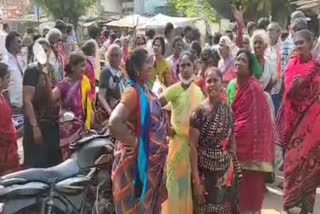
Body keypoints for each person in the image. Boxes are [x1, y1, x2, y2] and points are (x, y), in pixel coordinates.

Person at [109, 48, 168, 214]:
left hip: (152, 164)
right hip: (135, 165)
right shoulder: (132, 92)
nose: (152, 64)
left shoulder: (146, 89)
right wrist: (135, 143)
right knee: (134, 207)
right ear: (136, 69)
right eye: (147, 62)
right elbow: (114, 122)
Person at [275, 30, 320, 214]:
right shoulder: (291, 65)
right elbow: (288, 90)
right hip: (293, 123)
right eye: (297, 42)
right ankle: (291, 200)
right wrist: (296, 87)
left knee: (310, 166)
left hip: (314, 125)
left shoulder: (317, 68)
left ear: (311, 44)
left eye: (302, 42)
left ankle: (307, 208)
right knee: (292, 161)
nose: (299, 46)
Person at [227, 49, 274, 214]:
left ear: (251, 68)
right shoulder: (232, 85)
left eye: (243, 61)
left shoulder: (254, 90)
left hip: (251, 156)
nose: (238, 63)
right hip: (233, 151)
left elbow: (252, 124)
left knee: (249, 200)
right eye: (237, 60)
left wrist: (231, 136)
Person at [190, 67, 242, 213]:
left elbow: (232, 140)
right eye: (209, 81)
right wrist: (196, 181)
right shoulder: (197, 113)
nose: (212, 84)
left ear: (221, 84)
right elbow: (193, 147)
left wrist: (230, 168)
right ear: (204, 85)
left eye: (215, 80)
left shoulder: (228, 110)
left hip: (224, 174)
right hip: (204, 174)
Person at [160, 51, 204, 214]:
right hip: (177, 143)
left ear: (194, 67)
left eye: (188, 65)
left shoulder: (198, 92)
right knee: (173, 185)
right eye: (183, 65)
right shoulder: (174, 89)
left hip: (192, 147)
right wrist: (166, 127)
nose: (186, 69)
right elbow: (157, 105)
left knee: (187, 186)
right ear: (179, 69)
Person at [43, 52, 93, 160]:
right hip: (67, 129)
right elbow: (51, 98)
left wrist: (90, 119)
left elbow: (87, 104)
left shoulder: (84, 81)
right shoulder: (63, 85)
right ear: (73, 67)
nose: (84, 68)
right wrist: (46, 77)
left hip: (81, 126)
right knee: (68, 159)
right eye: (82, 65)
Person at [23, 38, 61, 168]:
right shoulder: (32, 70)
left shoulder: (52, 69)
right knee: (35, 162)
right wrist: (34, 127)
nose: (43, 54)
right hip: (36, 122)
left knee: (51, 163)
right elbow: (27, 101)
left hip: (50, 123)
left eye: (45, 51)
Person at [97, 44, 126, 125]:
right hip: (110, 110)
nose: (114, 58)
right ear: (108, 56)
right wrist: (110, 111)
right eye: (111, 55)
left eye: (116, 55)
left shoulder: (121, 71)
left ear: (121, 56)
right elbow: (101, 96)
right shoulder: (105, 72)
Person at [0, 62, 20, 175]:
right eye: (7, 77)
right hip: (4, 155)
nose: (9, 80)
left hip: (9, 150)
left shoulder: (2, 96)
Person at [4, 31, 23, 112]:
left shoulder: (21, 59)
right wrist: (8, 108)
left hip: (23, 106)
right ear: (11, 43)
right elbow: (3, 89)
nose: (21, 44)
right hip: (13, 107)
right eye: (18, 42)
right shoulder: (5, 62)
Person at [267, 22, 283, 114]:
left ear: (278, 33)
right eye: (268, 30)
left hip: (278, 93)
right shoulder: (265, 49)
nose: (269, 33)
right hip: (267, 91)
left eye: (271, 30)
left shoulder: (283, 49)